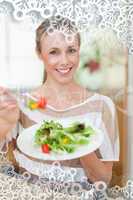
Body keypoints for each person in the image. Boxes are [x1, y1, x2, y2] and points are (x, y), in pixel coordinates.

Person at [0, 16, 119, 186]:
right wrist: (3, 124)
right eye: (54, 52)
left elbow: (104, 179)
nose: (64, 61)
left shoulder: (102, 106)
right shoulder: (23, 104)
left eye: (71, 50)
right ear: (39, 54)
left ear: (79, 50)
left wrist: (79, 144)